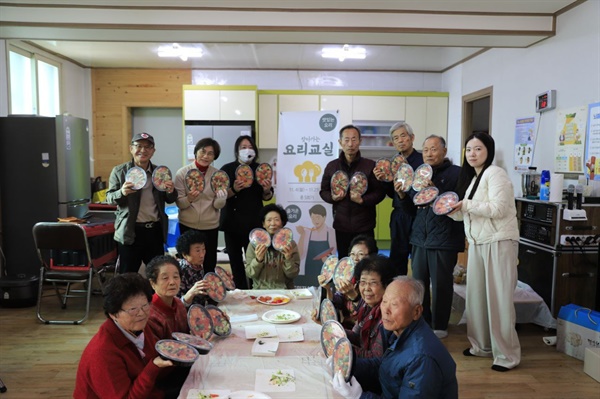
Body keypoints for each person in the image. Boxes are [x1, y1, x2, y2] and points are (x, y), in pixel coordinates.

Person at [450, 132, 521, 372]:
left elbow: (499, 209)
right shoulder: (474, 178)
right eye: (469, 149)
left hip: (499, 242)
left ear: (488, 150)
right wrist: (451, 210)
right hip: (479, 243)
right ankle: (481, 346)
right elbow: (469, 213)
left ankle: (507, 356)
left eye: (478, 149)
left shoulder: (495, 173)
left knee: (499, 300)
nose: (472, 154)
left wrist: (466, 205)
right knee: (477, 297)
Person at [332, 276, 458, 399]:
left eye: (394, 304)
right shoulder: (400, 330)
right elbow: (384, 365)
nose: (385, 310)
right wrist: (348, 364)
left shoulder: (422, 359)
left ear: (416, 312)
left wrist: (359, 396)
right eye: (384, 301)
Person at [74, 273, 176, 398]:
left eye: (145, 306)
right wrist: (153, 367)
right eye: (133, 309)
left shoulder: (140, 326)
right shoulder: (103, 353)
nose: (141, 314)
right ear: (113, 314)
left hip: (150, 391)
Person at [409, 135, 464, 339]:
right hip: (420, 237)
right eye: (425, 150)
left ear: (444, 151)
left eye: (434, 149)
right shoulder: (419, 175)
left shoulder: (456, 173)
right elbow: (411, 204)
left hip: (444, 238)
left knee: (441, 284)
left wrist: (435, 190)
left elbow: (457, 204)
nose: (429, 153)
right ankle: (421, 322)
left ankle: (440, 325)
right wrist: (402, 193)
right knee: (418, 284)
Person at [106, 132, 177, 274]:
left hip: (155, 231)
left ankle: (152, 297)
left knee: (156, 275)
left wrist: (170, 190)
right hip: (130, 231)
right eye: (138, 146)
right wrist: (122, 192)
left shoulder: (160, 173)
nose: (143, 150)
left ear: (153, 151)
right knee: (127, 275)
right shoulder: (120, 171)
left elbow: (170, 199)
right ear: (131, 148)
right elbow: (109, 199)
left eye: (148, 147)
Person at [320, 124, 385, 258]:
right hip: (341, 225)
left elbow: (379, 193)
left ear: (360, 141)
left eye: (354, 139)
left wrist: (363, 200)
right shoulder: (332, 166)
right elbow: (323, 191)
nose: (350, 144)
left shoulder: (370, 165)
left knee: (367, 261)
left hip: (364, 225)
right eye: (347, 140)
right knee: (345, 260)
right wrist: (333, 197)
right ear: (340, 142)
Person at [220, 135, 274, 289]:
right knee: (235, 262)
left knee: (255, 260)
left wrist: (266, 189)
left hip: (254, 224)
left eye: (250, 147)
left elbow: (267, 196)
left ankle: (256, 290)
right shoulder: (227, 169)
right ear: (237, 151)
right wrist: (234, 189)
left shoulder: (261, 169)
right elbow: (220, 197)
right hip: (232, 224)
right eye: (243, 147)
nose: (247, 150)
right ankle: (240, 291)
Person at [373, 122, 423, 276]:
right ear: (392, 143)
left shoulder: (422, 161)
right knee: (397, 257)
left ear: (412, 137)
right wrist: (383, 180)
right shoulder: (393, 163)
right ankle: (397, 294)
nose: (400, 140)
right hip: (399, 215)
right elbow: (390, 193)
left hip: (418, 214)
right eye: (396, 138)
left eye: (403, 136)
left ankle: (418, 295)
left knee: (418, 260)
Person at [174, 137, 227, 275]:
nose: (206, 156)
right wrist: (189, 199)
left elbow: (217, 204)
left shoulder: (218, 175)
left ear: (214, 157)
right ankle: (187, 294)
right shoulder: (182, 173)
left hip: (210, 226)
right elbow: (179, 202)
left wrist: (221, 199)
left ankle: (208, 294)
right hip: (188, 224)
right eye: (203, 151)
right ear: (196, 152)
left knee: (209, 262)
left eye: (211, 153)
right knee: (187, 264)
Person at [316, 234, 379, 328]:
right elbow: (337, 302)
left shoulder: (375, 281)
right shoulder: (349, 276)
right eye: (352, 254)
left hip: (364, 331)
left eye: (361, 254)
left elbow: (369, 314)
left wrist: (354, 296)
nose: (355, 259)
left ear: (372, 257)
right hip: (347, 329)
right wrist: (327, 288)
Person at [344, 255, 395, 358]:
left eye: (373, 283)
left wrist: (342, 348)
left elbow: (376, 357)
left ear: (386, 285)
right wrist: (334, 330)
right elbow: (357, 336)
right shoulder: (365, 306)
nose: (366, 288)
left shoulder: (387, 315)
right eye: (362, 282)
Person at [245, 204, 300, 289]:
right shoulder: (253, 244)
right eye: (269, 220)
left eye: (276, 220)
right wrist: (258, 260)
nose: (273, 223)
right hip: (260, 292)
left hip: (285, 292)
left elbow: (293, 274)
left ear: (282, 223)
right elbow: (250, 274)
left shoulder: (290, 244)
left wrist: (288, 258)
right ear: (263, 224)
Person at [145, 255, 189, 342]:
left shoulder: (179, 304)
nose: (172, 282)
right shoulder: (149, 315)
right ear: (152, 283)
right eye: (165, 278)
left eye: (176, 277)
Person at [295, 204, 337, 286]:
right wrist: (302, 235)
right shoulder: (307, 232)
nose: (315, 220)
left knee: (325, 291)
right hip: (309, 269)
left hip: (325, 268)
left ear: (324, 217)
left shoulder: (331, 232)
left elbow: (334, 254)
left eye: (318, 217)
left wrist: (327, 260)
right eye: (313, 218)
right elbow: (300, 255)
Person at [176, 229, 211, 307]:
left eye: (203, 249)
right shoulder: (178, 271)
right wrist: (191, 293)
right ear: (185, 254)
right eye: (197, 251)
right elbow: (175, 305)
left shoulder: (197, 265)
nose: (202, 255)